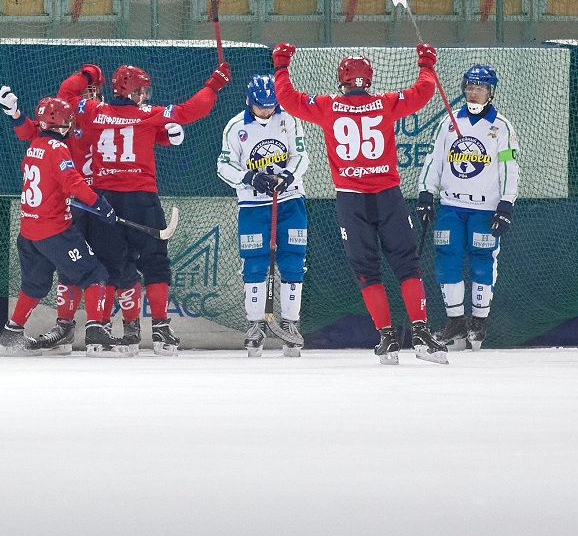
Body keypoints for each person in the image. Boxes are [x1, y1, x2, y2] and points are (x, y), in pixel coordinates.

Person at [272, 42, 449, 364]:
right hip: (388, 196)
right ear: (369, 79)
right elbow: (423, 93)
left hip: (352, 201)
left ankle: (387, 338)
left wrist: (282, 64)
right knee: (407, 265)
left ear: (341, 79)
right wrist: (426, 63)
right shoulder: (384, 103)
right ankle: (422, 333)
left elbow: (287, 98)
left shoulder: (327, 106)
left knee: (368, 272)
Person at [54, 59, 230, 355]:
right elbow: (191, 110)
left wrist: (87, 74)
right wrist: (214, 84)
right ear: (129, 90)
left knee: (108, 267)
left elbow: (65, 95)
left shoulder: (95, 112)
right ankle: (160, 330)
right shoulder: (149, 114)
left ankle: (99, 330)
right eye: (140, 90)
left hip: (104, 201)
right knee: (155, 263)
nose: (144, 96)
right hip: (141, 200)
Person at [0, 73, 184, 352]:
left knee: (115, 266)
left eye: (93, 93)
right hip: (75, 205)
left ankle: (120, 327)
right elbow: (30, 131)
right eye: (84, 94)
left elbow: (140, 133)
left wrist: (167, 136)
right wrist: (15, 114)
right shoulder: (61, 129)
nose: (88, 98)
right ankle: (67, 329)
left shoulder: (102, 120)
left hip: (95, 201)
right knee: (71, 272)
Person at [0, 96, 121, 356]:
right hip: (54, 231)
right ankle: (96, 332)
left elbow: (47, 178)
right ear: (58, 123)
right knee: (94, 274)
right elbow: (73, 182)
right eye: (67, 121)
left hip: (28, 233)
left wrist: (16, 114)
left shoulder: (34, 145)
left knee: (34, 286)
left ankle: (11, 334)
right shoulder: (57, 148)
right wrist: (100, 204)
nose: (69, 125)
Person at [416, 63, 520, 351]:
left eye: (480, 88)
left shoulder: (501, 126)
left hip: (486, 209)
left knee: (482, 263)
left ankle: (478, 323)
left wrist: (506, 204)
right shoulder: (449, 122)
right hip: (451, 206)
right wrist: (426, 193)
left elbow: (510, 168)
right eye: (470, 88)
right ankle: (456, 322)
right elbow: (433, 160)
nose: (474, 93)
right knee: (447, 260)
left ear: (491, 91)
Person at [216, 74, 309, 357]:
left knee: (293, 261)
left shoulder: (289, 120)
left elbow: (301, 156)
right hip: (253, 206)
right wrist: (249, 177)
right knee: (254, 264)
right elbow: (223, 165)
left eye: (271, 106)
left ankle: (289, 325)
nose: (267, 112)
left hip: (289, 201)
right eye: (261, 107)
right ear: (249, 101)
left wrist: (289, 177)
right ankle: (256, 325)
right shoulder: (235, 127)